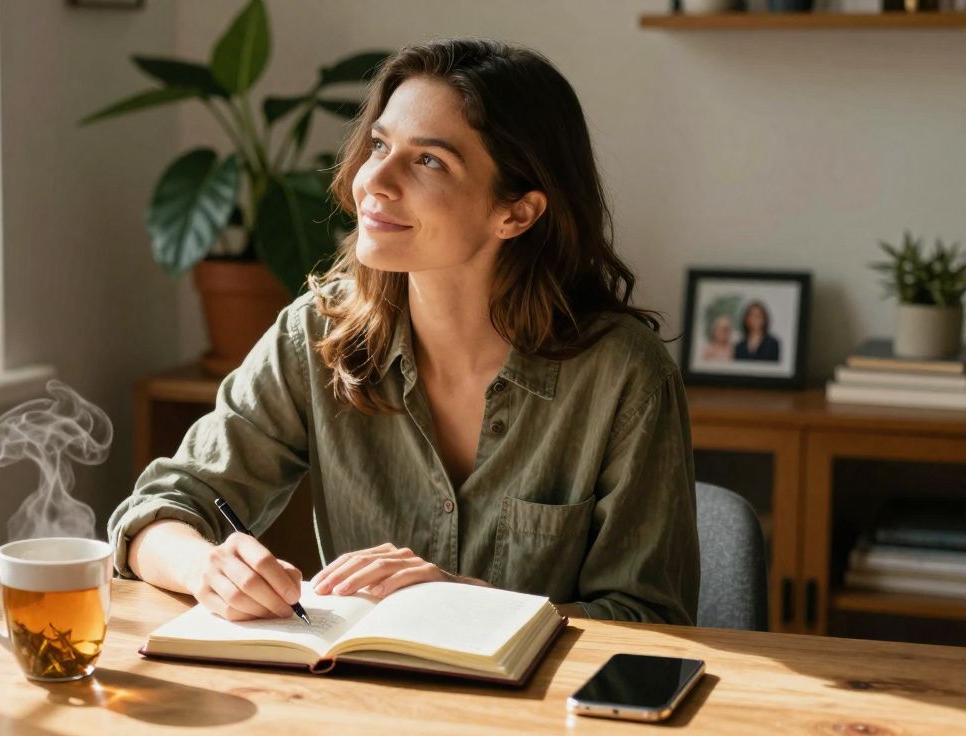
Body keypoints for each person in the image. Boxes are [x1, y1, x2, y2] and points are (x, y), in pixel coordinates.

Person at [109, 39, 698, 626]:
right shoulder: (317, 335)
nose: (374, 182)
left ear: (516, 213)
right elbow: (157, 512)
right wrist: (204, 566)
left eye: (429, 161)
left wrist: (463, 600)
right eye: (380, 145)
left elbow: (653, 621)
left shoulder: (624, 376)